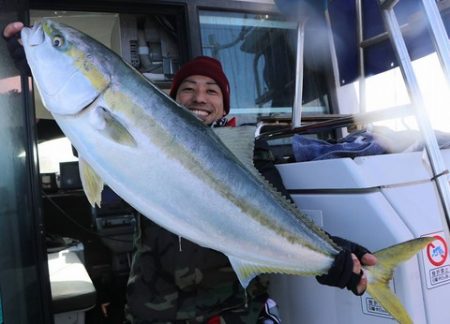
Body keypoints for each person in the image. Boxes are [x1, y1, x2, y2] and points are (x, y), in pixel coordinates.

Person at [3, 22, 377, 324]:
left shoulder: (252, 154)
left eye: (212, 90)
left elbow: (277, 215)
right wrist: (36, 66)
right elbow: (94, 140)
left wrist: (335, 255)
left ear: (224, 104)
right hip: (152, 312)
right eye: (189, 89)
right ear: (173, 99)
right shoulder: (118, 130)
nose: (200, 97)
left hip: (231, 315)